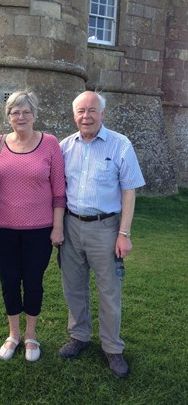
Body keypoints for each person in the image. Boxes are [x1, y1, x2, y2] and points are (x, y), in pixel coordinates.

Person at [59, 91, 145, 378]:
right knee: (73, 287)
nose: (87, 116)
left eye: (92, 110)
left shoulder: (120, 145)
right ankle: (79, 336)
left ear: (103, 114)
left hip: (106, 228)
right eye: (81, 111)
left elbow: (129, 191)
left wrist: (124, 233)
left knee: (109, 291)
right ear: (74, 115)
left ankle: (112, 348)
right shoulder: (64, 147)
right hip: (71, 227)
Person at [0, 89, 66, 362]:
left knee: (33, 281)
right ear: (8, 116)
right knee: (8, 282)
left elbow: (58, 190)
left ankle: (31, 335)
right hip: (3, 229)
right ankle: (13, 334)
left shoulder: (50, 143)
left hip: (40, 230)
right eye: (15, 112)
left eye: (26, 112)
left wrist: (57, 227)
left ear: (34, 115)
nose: (21, 116)